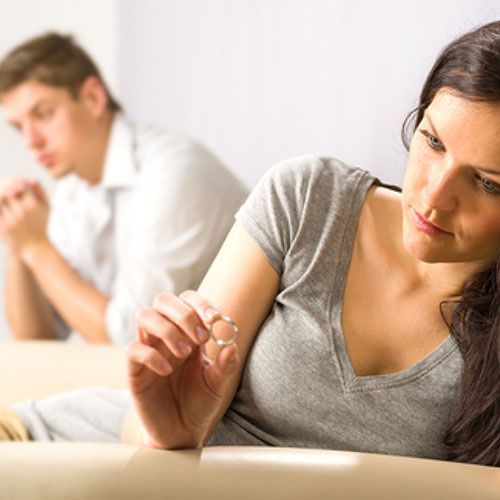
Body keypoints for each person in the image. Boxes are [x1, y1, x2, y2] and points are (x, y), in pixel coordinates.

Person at [1, 21, 498, 468]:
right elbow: (123, 408)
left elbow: (105, 332)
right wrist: (175, 426)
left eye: (488, 183)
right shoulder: (309, 198)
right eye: (432, 142)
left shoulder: (170, 176)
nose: (434, 198)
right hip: (88, 448)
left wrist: (37, 250)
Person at [0, 33, 248, 344]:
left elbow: (130, 339)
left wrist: (37, 247)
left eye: (43, 114)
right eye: (19, 126)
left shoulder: (172, 173)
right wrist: (16, 242)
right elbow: (37, 343)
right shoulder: (71, 190)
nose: (30, 141)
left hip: (230, 377)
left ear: (93, 98)